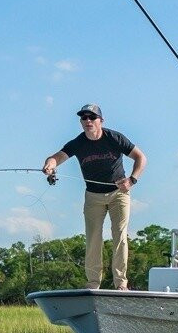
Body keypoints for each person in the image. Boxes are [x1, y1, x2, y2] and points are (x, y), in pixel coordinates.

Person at [43, 104, 146, 290]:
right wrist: (50, 165)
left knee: (119, 235)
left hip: (119, 194)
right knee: (93, 237)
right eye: (84, 118)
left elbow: (141, 158)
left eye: (92, 117)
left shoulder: (114, 138)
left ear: (101, 120)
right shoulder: (78, 142)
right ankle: (93, 284)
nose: (88, 121)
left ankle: (121, 283)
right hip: (93, 196)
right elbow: (56, 157)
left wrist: (132, 180)